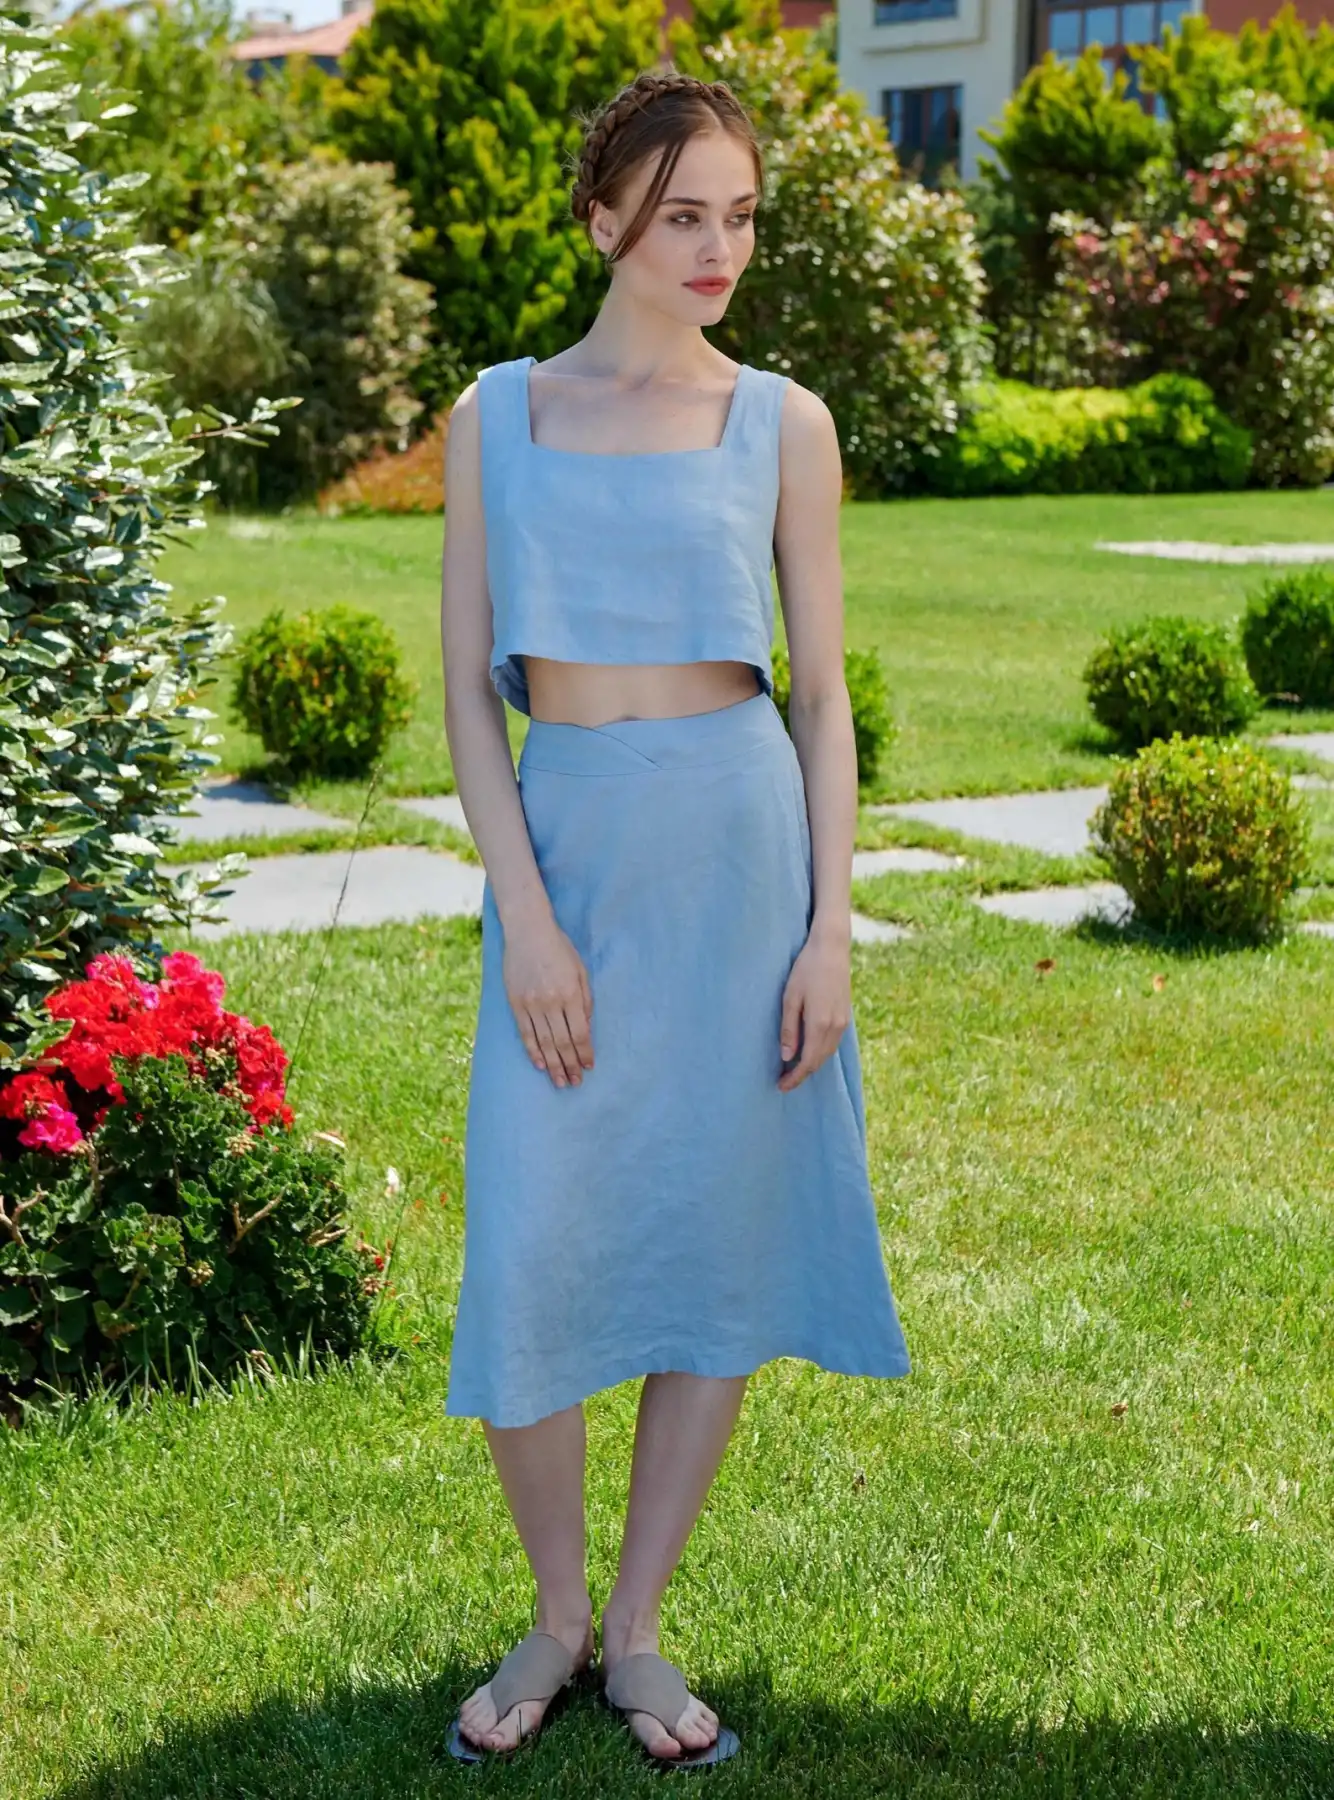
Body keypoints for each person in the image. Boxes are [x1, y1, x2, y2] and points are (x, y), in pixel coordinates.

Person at [437, 67, 911, 1770]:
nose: (718, 249)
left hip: (735, 856)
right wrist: (526, 918)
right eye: (680, 216)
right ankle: (553, 1614)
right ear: (602, 224)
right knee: (534, 1235)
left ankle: (632, 1628)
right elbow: (468, 695)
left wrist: (829, 926)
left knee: (709, 1242)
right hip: (568, 844)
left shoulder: (783, 422)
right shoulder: (496, 414)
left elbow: (821, 695)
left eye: (739, 216)